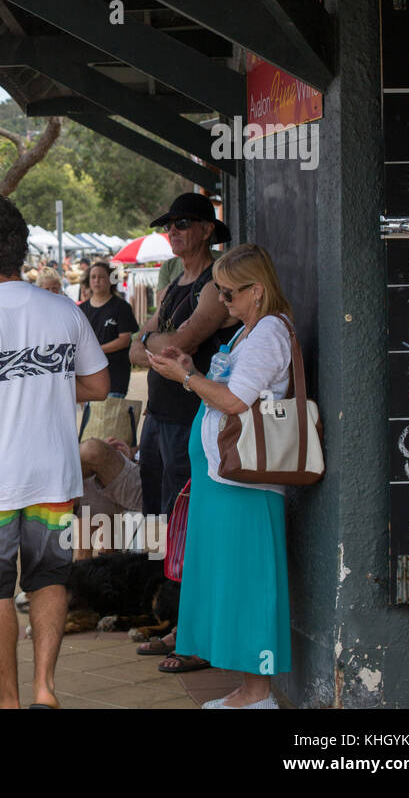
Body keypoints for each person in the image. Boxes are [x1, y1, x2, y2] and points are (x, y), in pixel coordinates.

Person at [0, 195, 109, 708]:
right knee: (49, 579)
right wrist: (44, 385)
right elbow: (97, 385)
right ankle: (44, 689)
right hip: (54, 471)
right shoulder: (63, 310)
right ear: (23, 250)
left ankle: (8, 700)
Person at [146, 244, 295, 708]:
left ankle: (258, 695)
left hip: (243, 483)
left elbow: (235, 401)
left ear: (258, 290)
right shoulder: (249, 331)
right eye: (220, 293)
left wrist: (184, 379)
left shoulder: (269, 330)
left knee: (247, 584)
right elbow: (227, 389)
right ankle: (250, 689)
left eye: (230, 294)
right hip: (224, 478)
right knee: (231, 581)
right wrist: (192, 368)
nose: (223, 303)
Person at [127, 192, 234, 673]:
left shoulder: (216, 283)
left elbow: (181, 344)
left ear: (208, 229)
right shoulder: (175, 283)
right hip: (159, 418)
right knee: (162, 525)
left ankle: (191, 632)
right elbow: (138, 348)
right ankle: (172, 621)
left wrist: (151, 342)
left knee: (186, 526)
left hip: (193, 419)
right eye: (169, 225)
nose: (173, 232)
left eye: (184, 224)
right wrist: (153, 342)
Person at [80, 261, 139, 399]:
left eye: (101, 277)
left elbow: (124, 340)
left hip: (115, 375)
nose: (96, 281)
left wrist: (97, 350)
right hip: (89, 376)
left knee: (109, 417)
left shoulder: (121, 307)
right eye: (93, 277)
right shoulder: (81, 310)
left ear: (110, 279)